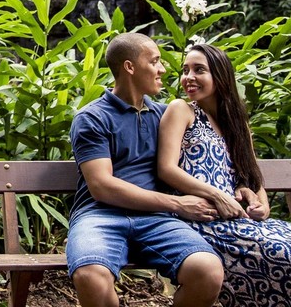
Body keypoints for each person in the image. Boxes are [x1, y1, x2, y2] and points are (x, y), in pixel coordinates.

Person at [158, 43, 291, 307]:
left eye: (199, 70)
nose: (188, 77)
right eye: (185, 70)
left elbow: (250, 174)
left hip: (240, 220)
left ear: (220, 76)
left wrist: (262, 204)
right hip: (202, 220)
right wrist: (217, 196)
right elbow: (166, 169)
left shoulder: (236, 123)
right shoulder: (182, 110)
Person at [68, 32, 225, 307]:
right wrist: (177, 204)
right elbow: (102, 186)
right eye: (154, 61)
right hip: (100, 217)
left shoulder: (166, 116)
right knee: (91, 276)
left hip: (156, 220)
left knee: (208, 271)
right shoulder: (92, 118)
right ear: (130, 67)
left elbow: (216, 146)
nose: (163, 69)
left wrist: (248, 186)